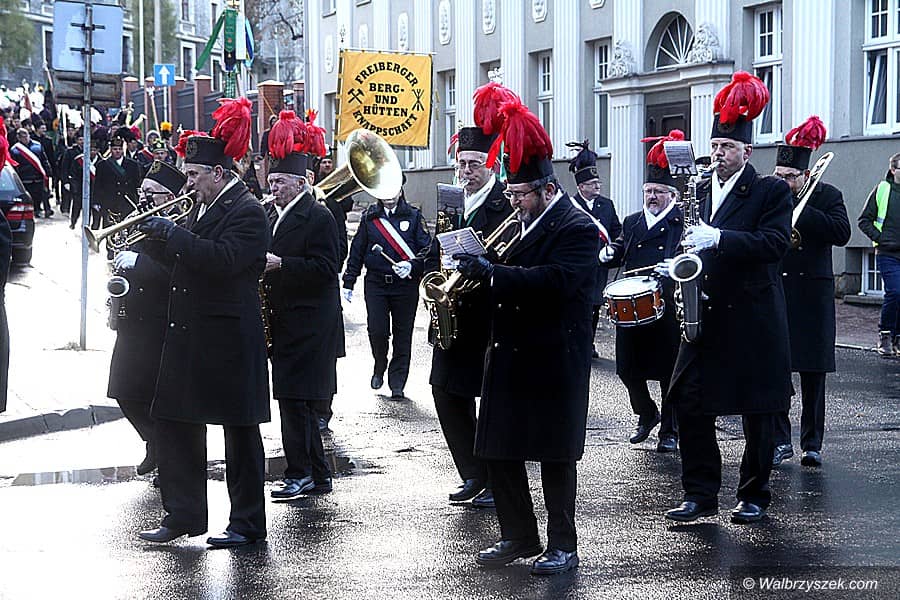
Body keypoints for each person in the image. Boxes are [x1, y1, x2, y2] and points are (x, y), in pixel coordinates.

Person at [457, 95, 598, 576]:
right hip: (510, 351)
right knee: (498, 448)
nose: (513, 203)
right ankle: (518, 535)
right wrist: (475, 270)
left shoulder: (576, 226)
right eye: (511, 194)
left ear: (546, 189)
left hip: (554, 354)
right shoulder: (521, 220)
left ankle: (563, 545)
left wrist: (493, 273)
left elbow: (557, 281)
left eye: (520, 195)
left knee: (555, 456)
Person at [135, 97, 271, 549]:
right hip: (192, 334)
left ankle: (247, 523)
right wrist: (154, 243)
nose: (188, 183)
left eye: (193, 175)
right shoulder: (203, 206)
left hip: (230, 339)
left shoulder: (248, 211)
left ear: (217, 172)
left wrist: (174, 236)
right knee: (174, 421)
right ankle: (183, 515)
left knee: (240, 434)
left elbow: (225, 261)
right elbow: (187, 264)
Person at [663, 71, 792, 525]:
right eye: (715, 145)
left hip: (753, 315)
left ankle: (754, 493)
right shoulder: (697, 189)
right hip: (705, 314)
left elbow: (775, 244)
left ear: (747, 152)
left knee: (758, 409)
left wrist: (719, 237)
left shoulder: (770, 190)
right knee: (687, 399)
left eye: (728, 147)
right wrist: (676, 260)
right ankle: (699, 493)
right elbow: (687, 240)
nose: (718, 153)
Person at [426, 100, 514, 509]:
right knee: (445, 394)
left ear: (490, 165)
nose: (465, 172)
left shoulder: (504, 203)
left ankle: (498, 480)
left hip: (488, 316)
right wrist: (432, 271)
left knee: (493, 402)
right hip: (452, 315)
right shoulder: (452, 199)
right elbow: (435, 248)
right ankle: (473, 473)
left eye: (474, 164)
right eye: (461, 164)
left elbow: (512, 257)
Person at [262, 111, 342, 500]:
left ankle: (300, 473)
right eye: (271, 181)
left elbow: (328, 268)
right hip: (286, 321)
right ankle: (318, 473)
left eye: (280, 182)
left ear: (300, 182)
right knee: (296, 402)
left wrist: (283, 264)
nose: (273, 188)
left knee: (296, 402)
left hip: (310, 324)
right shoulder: (270, 214)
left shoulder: (319, 216)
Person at [770, 117, 850, 468]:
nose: (783, 182)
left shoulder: (828, 196)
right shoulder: (770, 194)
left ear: (805, 175)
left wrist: (802, 211)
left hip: (813, 294)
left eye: (790, 177)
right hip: (779, 289)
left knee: (813, 374)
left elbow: (842, 233)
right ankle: (779, 440)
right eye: (779, 175)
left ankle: (812, 443)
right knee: (776, 369)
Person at [600, 131, 684, 452]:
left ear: (672, 195)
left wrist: (674, 267)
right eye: (648, 191)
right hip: (632, 305)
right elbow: (622, 245)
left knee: (667, 371)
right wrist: (610, 253)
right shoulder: (633, 221)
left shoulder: (681, 222)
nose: (652, 196)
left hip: (666, 303)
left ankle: (670, 430)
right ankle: (646, 413)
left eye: (659, 191)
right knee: (626, 368)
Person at [106, 161, 187, 477]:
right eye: (142, 191)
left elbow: (178, 276)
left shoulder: (180, 227)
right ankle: (154, 442)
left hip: (160, 322)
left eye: (151, 193)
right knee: (123, 391)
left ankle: (166, 457)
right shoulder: (136, 220)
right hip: (131, 320)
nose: (143, 197)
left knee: (155, 396)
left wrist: (139, 263)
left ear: (169, 197)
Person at [342, 179, 431, 399]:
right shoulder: (369, 218)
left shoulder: (414, 216)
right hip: (376, 283)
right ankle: (379, 364)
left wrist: (412, 265)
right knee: (377, 331)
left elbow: (427, 250)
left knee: (403, 334)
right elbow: (357, 250)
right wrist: (349, 281)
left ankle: (397, 381)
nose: (390, 195)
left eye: (394, 189)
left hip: (405, 286)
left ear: (401, 190)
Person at [567, 140, 620, 358]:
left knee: (595, 305)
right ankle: (577, 341)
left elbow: (616, 230)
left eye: (598, 183)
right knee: (578, 305)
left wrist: (613, 248)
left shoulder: (606, 204)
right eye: (592, 183)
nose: (597, 186)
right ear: (581, 186)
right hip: (578, 266)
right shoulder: (570, 206)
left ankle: (588, 343)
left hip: (599, 266)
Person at [859, 151, 900, 356]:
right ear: (893, 170)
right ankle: (885, 334)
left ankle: (898, 337)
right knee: (895, 292)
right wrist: (881, 238)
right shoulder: (883, 189)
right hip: (887, 252)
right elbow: (864, 220)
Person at [95, 131, 141, 257]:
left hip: (127, 202)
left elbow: (137, 184)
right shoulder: (103, 165)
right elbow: (98, 185)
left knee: (127, 228)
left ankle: (125, 250)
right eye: (115, 149)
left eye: (119, 149)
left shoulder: (132, 165)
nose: (117, 151)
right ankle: (110, 251)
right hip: (109, 202)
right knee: (110, 227)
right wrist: (97, 202)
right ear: (110, 150)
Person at [10, 127, 52, 218]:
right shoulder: (15, 150)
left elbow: (44, 160)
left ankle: (43, 210)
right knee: (30, 197)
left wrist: (48, 171)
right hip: (25, 178)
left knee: (41, 195)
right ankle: (33, 211)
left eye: (26, 136)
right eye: (23, 137)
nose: (25, 138)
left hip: (38, 176)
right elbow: (14, 166)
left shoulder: (37, 146)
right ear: (19, 138)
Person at [68, 137, 101, 231]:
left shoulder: (101, 162)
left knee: (96, 213)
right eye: (91, 150)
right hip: (81, 191)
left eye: (94, 150)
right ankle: (74, 222)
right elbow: (73, 175)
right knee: (77, 208)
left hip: (95, 193)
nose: (92, 152)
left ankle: (94, 230)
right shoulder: (79, 160)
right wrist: (75, 188)